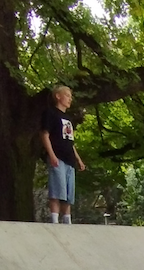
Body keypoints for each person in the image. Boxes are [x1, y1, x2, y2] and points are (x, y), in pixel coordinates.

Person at [40, 85, 87, 224]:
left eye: (71, 96)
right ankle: (54, 221)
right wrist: (52, 155)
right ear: (58, 96)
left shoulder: (68, 118)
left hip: (69, 160)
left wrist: (78, 159)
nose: (69, 98)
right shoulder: (50, 113)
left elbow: (70, 141)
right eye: (67, 95)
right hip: (58, 157)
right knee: (56, 190)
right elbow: (44, 134)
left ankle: (67, 221)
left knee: (68, 194)